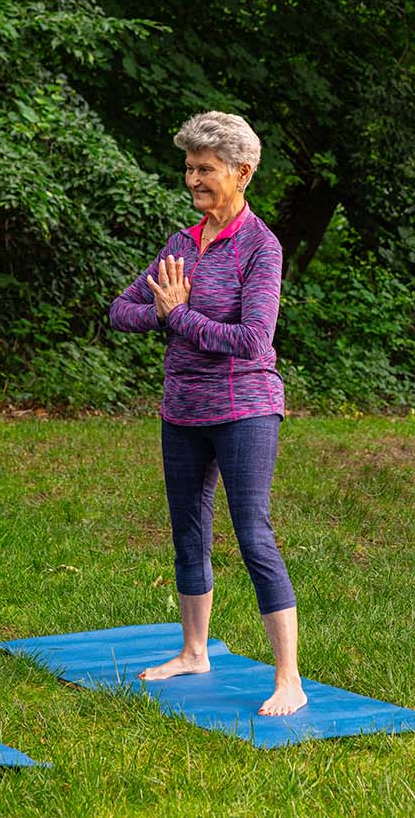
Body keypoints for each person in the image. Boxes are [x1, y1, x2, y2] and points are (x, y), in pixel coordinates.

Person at [108, 111, 305, 716]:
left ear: (242, 173)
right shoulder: (180, 245)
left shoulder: (260, 246)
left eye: (206, 168)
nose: (193, 178)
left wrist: (179, 317)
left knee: (253, 534)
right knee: (187, 531)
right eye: (189, 167)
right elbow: (121, 311)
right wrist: (164, 311)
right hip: (183, 408)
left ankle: (289, 678)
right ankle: (195, 651)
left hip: (245, 408)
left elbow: (254, 339)